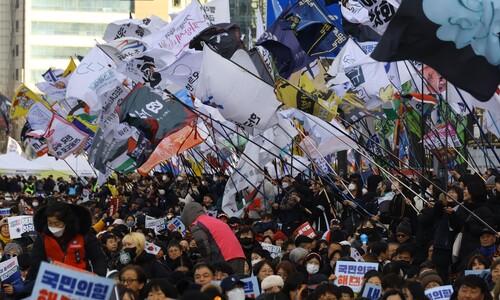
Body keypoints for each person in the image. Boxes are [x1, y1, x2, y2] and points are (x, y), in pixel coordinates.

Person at [27, 201, 107, 282]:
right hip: (52, 281)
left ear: (66, 222)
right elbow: (35, 259)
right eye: (50, 223)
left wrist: (98, 277)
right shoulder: (42, 237)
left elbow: (98, 258)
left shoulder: (83, 236)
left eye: (57, 224)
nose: (53, 227)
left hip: (80, 282)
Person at [181, 202, 246, 274]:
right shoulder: (214, 220)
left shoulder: (196, 224)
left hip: (223, 258)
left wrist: (207, 265)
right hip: (239, 256)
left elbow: (204, 247)